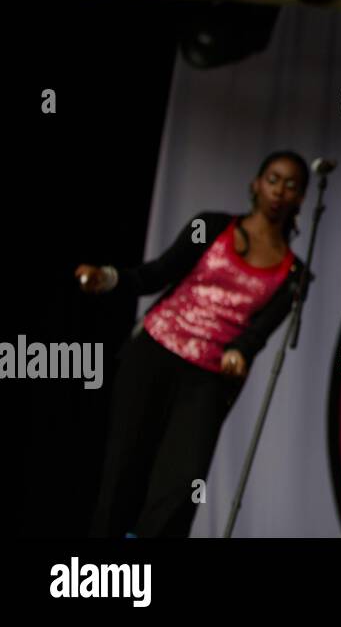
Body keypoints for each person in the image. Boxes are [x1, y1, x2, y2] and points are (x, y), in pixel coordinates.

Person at [76, 151, 313, 537]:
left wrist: (240, 351)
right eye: (273, 179)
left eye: (291, 185)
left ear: (301, 198)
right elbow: (158, 273)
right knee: (123, 467)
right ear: (256, 184)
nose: (279, 191)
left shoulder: (294, 274)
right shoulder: (211, 226)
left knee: (183, 484)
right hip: (154, 351)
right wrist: (109, 278)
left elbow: (258, 333)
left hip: (208, 378)